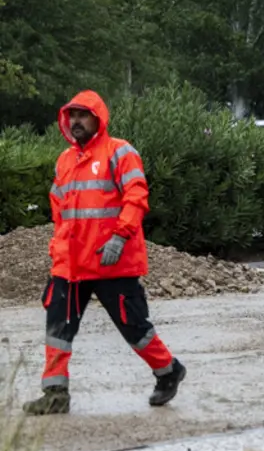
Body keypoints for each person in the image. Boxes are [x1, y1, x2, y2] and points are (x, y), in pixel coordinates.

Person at [24, 91, 186, 416]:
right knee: (58, 329)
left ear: (98, 118)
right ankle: (55, 394)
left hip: (113, 263)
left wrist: (120, 236)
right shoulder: (65, 161)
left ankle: (168, 370)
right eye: (72, 115)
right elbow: (60, 214)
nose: (76, 121)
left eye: (83, 115)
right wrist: (57, 253)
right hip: (71, 266)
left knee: (135, 329)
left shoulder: (120, 152)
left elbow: (137, 195)